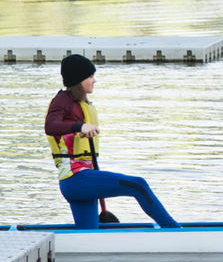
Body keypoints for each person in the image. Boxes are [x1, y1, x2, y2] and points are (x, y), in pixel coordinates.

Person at [44, 54, 180, 230]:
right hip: (76, 178)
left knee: (88, 238)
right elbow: (50, 126)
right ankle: (174, 230)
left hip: (78, 182)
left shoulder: (79, 102)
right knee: (138, 185)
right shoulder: (63, 100)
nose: (95, 80)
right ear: (79, 79)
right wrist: (80, 126)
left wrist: (80, 127)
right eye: (90, 76)